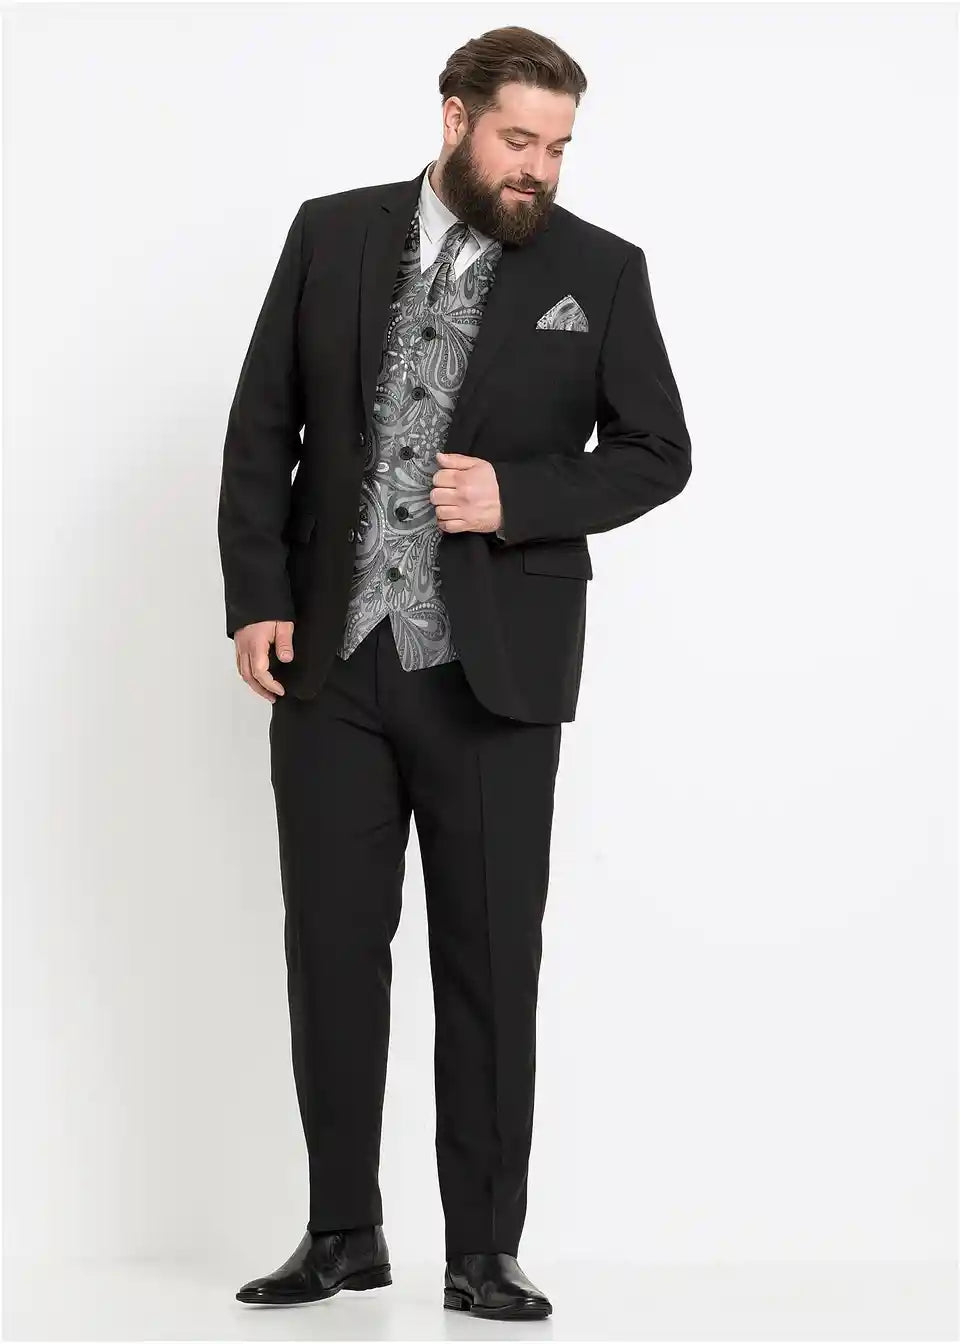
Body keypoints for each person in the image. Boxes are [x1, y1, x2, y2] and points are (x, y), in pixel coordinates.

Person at [218, 24, 691, 1322]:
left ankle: (483, 1249)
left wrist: (521, 496)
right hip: (331, 670)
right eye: (517, 140)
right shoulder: (332, 235)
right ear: (454, 119)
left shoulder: (600, 271)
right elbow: (262, 425)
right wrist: (257, 598)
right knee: (330, 952)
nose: (538, 168)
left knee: (488, 961)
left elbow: (658, 450)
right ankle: (341, 1231)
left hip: (496, 675)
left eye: (558, 148)